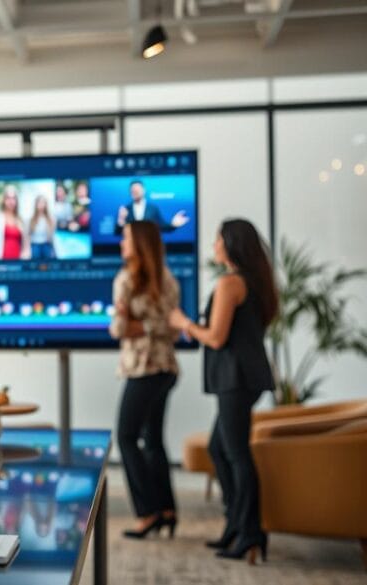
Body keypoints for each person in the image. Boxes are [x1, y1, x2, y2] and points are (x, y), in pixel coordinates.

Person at [169, 218, 278, 563]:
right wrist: (197, 328)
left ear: (230, 244)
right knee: (220, 448)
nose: (213, 245)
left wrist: (184, 323)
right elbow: (228, 332)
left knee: (236, 454)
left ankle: (250, 534)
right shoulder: (252, 281)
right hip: (242, 377)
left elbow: (216, 338)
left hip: (236, 378)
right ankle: (237, 525)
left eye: (217, 239)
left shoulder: (231, 283)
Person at [108, 220, 180, 540]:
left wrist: (136, 323)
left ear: (138, 243)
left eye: (125, 238)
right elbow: (170, 328)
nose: (122, 243)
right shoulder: (168, 280)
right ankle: (167, 510)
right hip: (166, 368)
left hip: (143, 369)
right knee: (152, 441)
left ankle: (147, 512)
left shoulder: (126, 280)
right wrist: (152, 325)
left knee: (125, 437)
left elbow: (119, 330)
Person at [115, 180, 190, 235]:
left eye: (137, 190)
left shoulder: (152, 208)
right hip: (133, 250)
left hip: (150, 247)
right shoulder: (126, 209)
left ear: (143, 190)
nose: (135, 192)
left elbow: (162, 227)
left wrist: (173, 224)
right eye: (133, 190)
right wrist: (121, 220)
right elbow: (118, 232)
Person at [0, 185, 29, 260]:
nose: (11, 201)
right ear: (4, 200)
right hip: (0, 263)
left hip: (18, 264)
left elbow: (26, 245)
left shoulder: (21, 220)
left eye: (13, 198)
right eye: (8, 198)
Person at [27, 195, 56, 260]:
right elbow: (28, 235)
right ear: (36, 204)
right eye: (39, 203)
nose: (41, 205)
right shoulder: (32, 219)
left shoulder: (50, 219)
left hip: (46, 244)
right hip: (35, 244)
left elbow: (52, 235)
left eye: (43, 203)